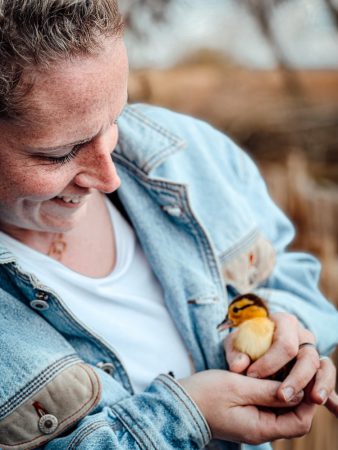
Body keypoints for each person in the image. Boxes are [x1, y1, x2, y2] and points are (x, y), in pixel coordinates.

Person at [0, 1, 337, 449]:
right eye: (60, 154)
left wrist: (292, 333)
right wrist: (186, 415)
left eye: (113, 120)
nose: (109, 177)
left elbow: (292, 276)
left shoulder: (189, 151)